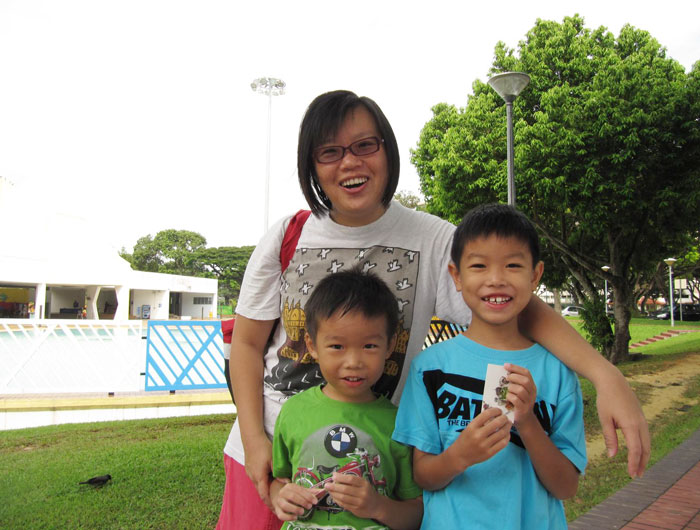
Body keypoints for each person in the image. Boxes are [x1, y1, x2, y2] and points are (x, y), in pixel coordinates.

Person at [218, 90, 649, 530]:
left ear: (388, 149)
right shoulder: (288, 235)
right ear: (310, 165)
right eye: (329, 152)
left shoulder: (435, 238)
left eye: (366, 145)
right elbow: (249, 346)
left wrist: (605, 374)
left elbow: (524, 310)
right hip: (274, 457)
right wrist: (255, 442)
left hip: (374, 468)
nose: (350, 163)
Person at [393, 204, 586, 529]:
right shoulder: (429, 368)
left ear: (535, 275)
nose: (496, 280)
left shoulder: (557, 371)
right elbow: (422, 475)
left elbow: (566, 486)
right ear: (456, 276)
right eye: (479, 266)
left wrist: (528, 424)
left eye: (513, 265)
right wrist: (460, 455)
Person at [270, 269, 423, 529]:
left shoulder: (398, 423)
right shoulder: (293, 411)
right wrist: (280, 498)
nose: (353, 363)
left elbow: (415, 514)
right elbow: (280, 480)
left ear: (390, 345)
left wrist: (377, 506)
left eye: (369, 346)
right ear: (312, 345)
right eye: (337, 347)